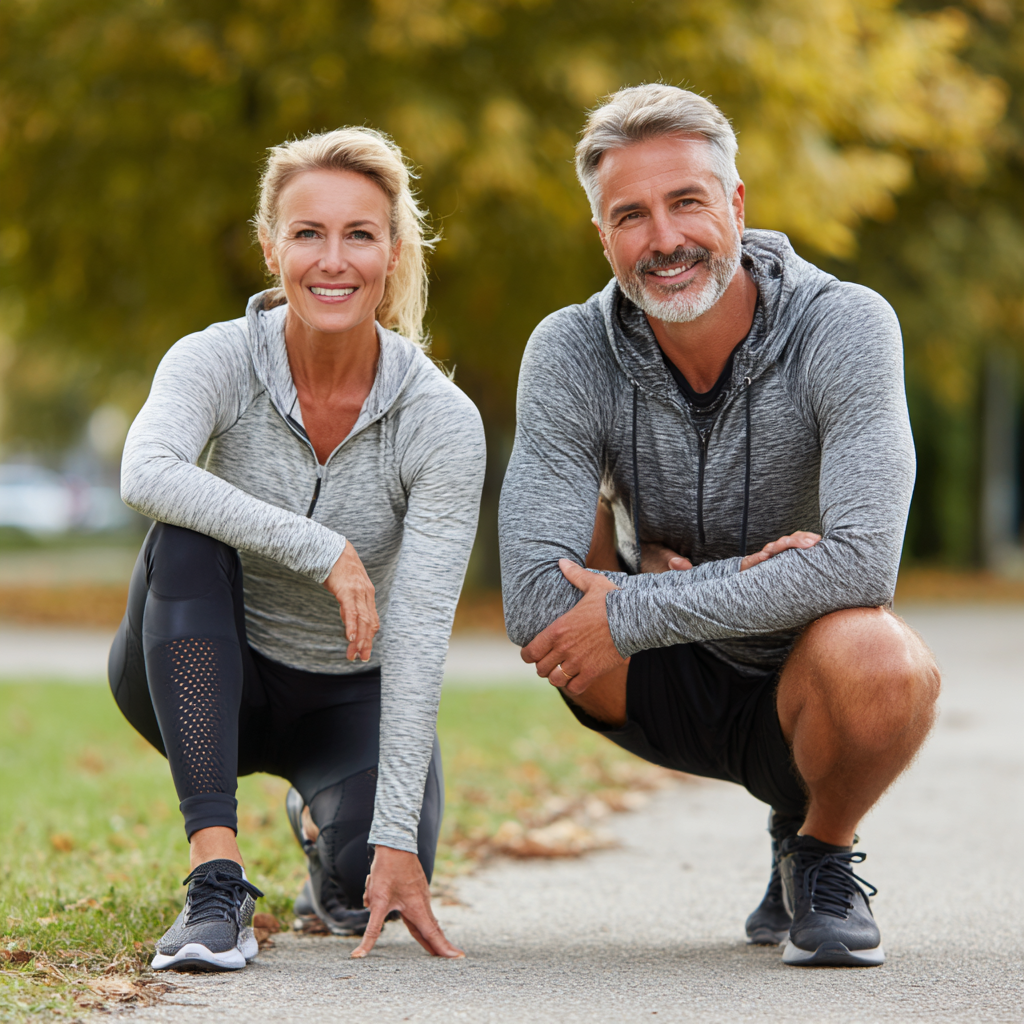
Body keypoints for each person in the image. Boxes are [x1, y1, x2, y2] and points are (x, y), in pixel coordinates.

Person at [499, 85, 940, 968]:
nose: (663, 239)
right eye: (631, 215)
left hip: (803, 669)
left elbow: (861, 569)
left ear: (735, 205)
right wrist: (664, 581)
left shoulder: (846, 325)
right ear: (603, 237)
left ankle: (817, 851)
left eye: (687, 201)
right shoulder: (568, 348)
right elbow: (534, 602)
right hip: (665, 685)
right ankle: (797, 807)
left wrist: (640, 600)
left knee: (882, 661)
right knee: (567, 634)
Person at [109, 126, 484, 970]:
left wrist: (396, 839)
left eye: (360, 234)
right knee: (187, 528)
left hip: (346, 692)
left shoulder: (441, 420)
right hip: (204, 670)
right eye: (308, 233)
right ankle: (215, 882)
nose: (333, 260)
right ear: (271, 245)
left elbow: (420, 628)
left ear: (394, 251)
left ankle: (324, 831)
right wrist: (320, 548)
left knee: (366, 890)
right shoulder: (214, 359)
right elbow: (145, 469)